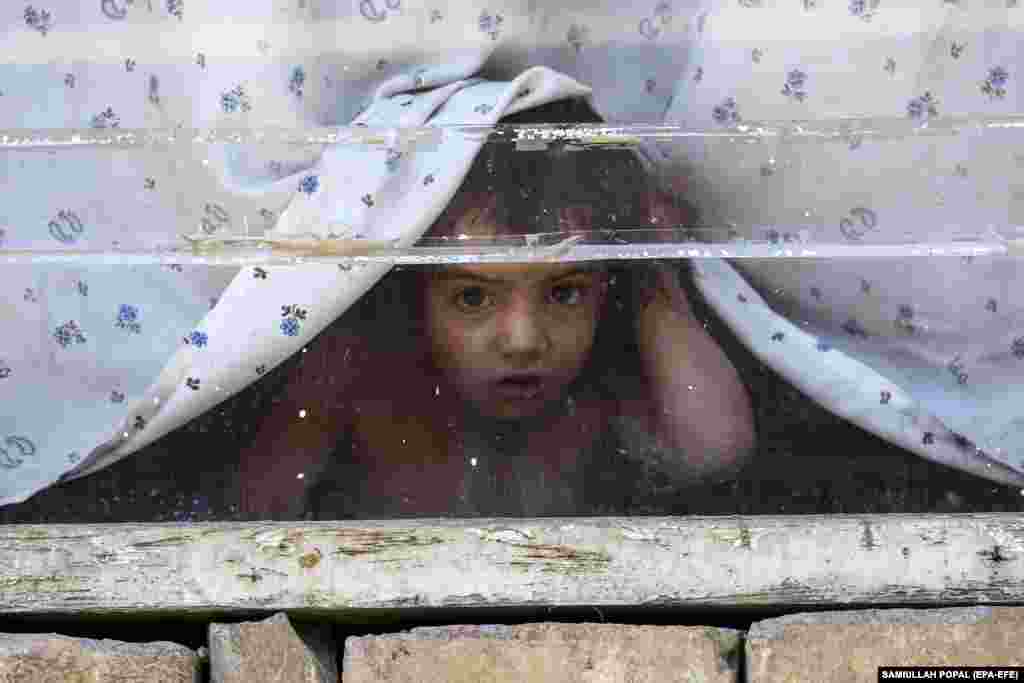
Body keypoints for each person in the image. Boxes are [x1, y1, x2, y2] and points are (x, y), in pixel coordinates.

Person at [237, 97, 757, 519]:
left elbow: (716, 449)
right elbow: (261, 508)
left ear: (609, 290)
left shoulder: (606, 393)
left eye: (565, 292)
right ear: (412, 295)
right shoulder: (368, 384)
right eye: (471, 297)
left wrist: (652, 276)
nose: (523, 340)